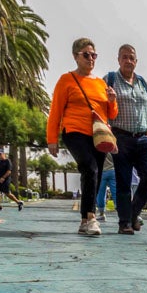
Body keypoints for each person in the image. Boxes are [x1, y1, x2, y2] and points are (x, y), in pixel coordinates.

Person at [47, 37, 118, 237]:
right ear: (75, 56)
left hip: (98, 135)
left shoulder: (100, 83)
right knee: (90, 167)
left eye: (93, 55)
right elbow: (55, 112)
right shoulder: (66, 80)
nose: (91, 58)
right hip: (75, 132)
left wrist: (112, 101)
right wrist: (52, 138)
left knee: (93, 175)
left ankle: (84, 220)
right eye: (86, 55)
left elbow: (110, 114)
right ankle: (91, 217)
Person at [104, 44, 147, 233]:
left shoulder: (143, 82)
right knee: (124, 182)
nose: (128, 61)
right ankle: (124, 223)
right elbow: (102, 109)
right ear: (118, 60)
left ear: (136, 61)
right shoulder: (110, 80)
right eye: (124, 57)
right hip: (122, 139)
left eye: (131, 58)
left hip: (144, 139)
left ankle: (134, 213)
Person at [95, 154, 116, 223]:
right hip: (113, 171)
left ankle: (102, 214)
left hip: (101, 172)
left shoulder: (98, 146)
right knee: (116, 193)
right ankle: (122, 214)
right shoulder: (113, 146)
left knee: (100, 194)